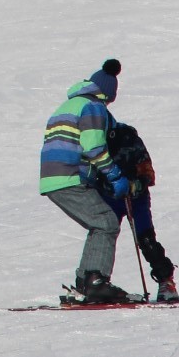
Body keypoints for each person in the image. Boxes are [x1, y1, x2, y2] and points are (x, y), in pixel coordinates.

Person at [40, 58, 132, 303]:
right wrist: (115, 175)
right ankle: (96, 281)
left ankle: (87, 281)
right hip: (68, 175)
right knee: (106, 221)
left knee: (98, 222)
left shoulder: (68, 105)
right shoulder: (92, 107)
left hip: (53, 176)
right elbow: (93, 148)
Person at [107, 111, 179, 301]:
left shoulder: (127, 135)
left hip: (135, 196)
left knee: (145, 238)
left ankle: (166, 280)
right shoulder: (93, 138)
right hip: (111, 195)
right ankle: (95, 281)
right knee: (103, 234)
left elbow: (146, 168)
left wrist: (138, 183)